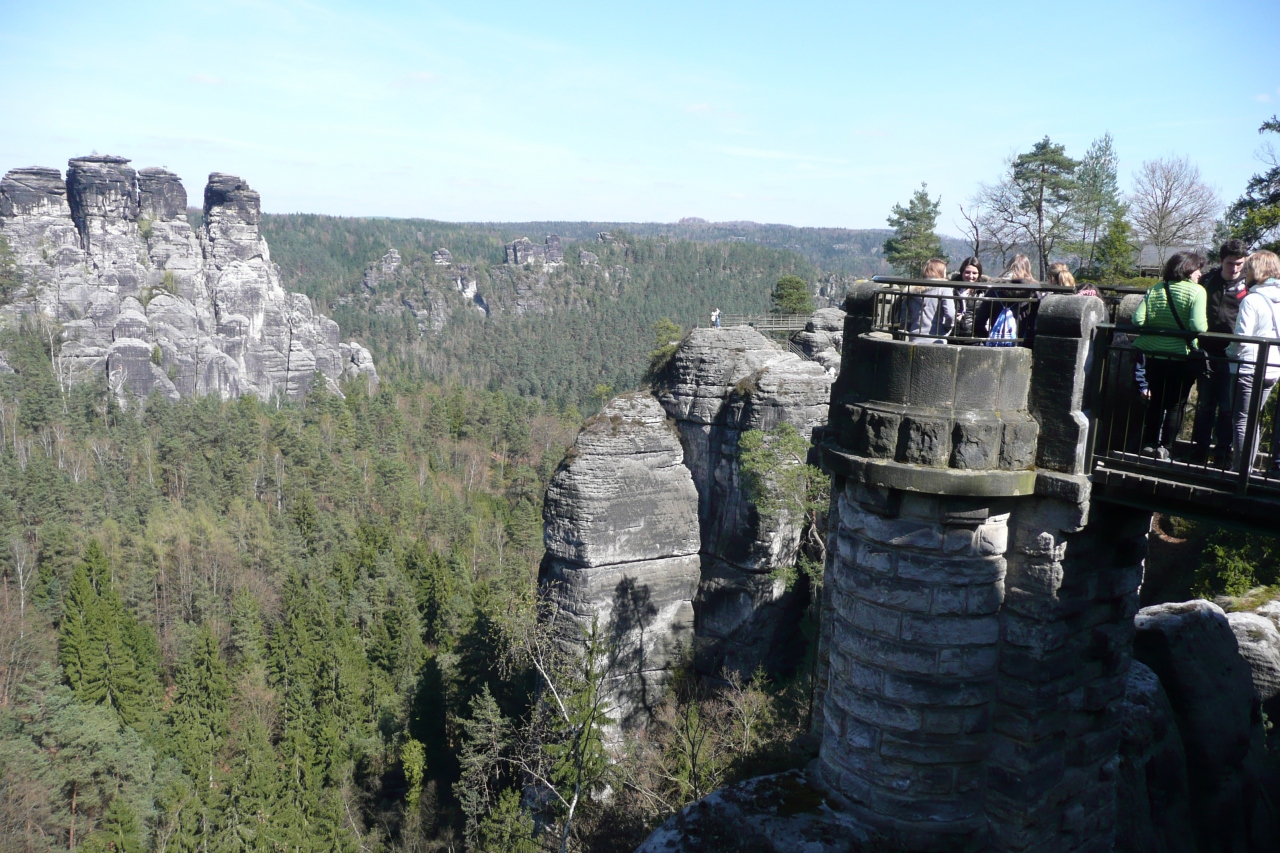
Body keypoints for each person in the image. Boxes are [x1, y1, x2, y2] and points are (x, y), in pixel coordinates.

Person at [1132, 251, 1208, 460]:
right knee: (1175, 404)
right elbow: (1198, 326)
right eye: (1198, 269)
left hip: (1154, 353)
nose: (1200, 274)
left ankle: (1149, 444)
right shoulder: (1197, 291)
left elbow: (1138, 320)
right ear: (1188, 269)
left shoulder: (1156, 288)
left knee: (1156, 401)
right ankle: (1166, 447)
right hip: (1181, 355)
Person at [1190, 239, 1250, 466]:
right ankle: (1199, 452)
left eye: (1239, 264)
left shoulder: (1249, 284)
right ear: (1222, 260)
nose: (1234, 269)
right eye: (1230, 263)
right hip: (1207, 351)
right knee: (1205, 405)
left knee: (1227, 407)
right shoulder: (1208, 281)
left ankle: (1223, 455)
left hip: (1234, 354)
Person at [1229, 251, 1280, 472]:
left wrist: (1228, 352)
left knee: (1242, 420)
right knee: (1253, 419)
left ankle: (1240, 472)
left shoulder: (1251, 300)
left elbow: (1242, 338)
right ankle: (1245, 471)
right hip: (1272, 368)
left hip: (1249, 366)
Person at [975, 254, 1038, 346]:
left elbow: (978, 323)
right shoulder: (1032, 293)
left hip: (997, 344)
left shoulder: (995, 290)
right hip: (1022, 344)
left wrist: (989, 340)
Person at [903, 258, 955, 343]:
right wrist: (947, 328)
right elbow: (950, 314)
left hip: (914, 337)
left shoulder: (911, 291)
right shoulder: (944, 288)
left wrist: (911, 328)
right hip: (937, 338)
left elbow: (903, 317)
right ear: (941, 272)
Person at [951, 256, 984, 338]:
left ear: (979, 274)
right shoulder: (951, 288)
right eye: (967, 272)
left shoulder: (983, 291)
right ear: (962, 272)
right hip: (951, 335)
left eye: (974, 273)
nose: (970, 276)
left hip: (974, 337)